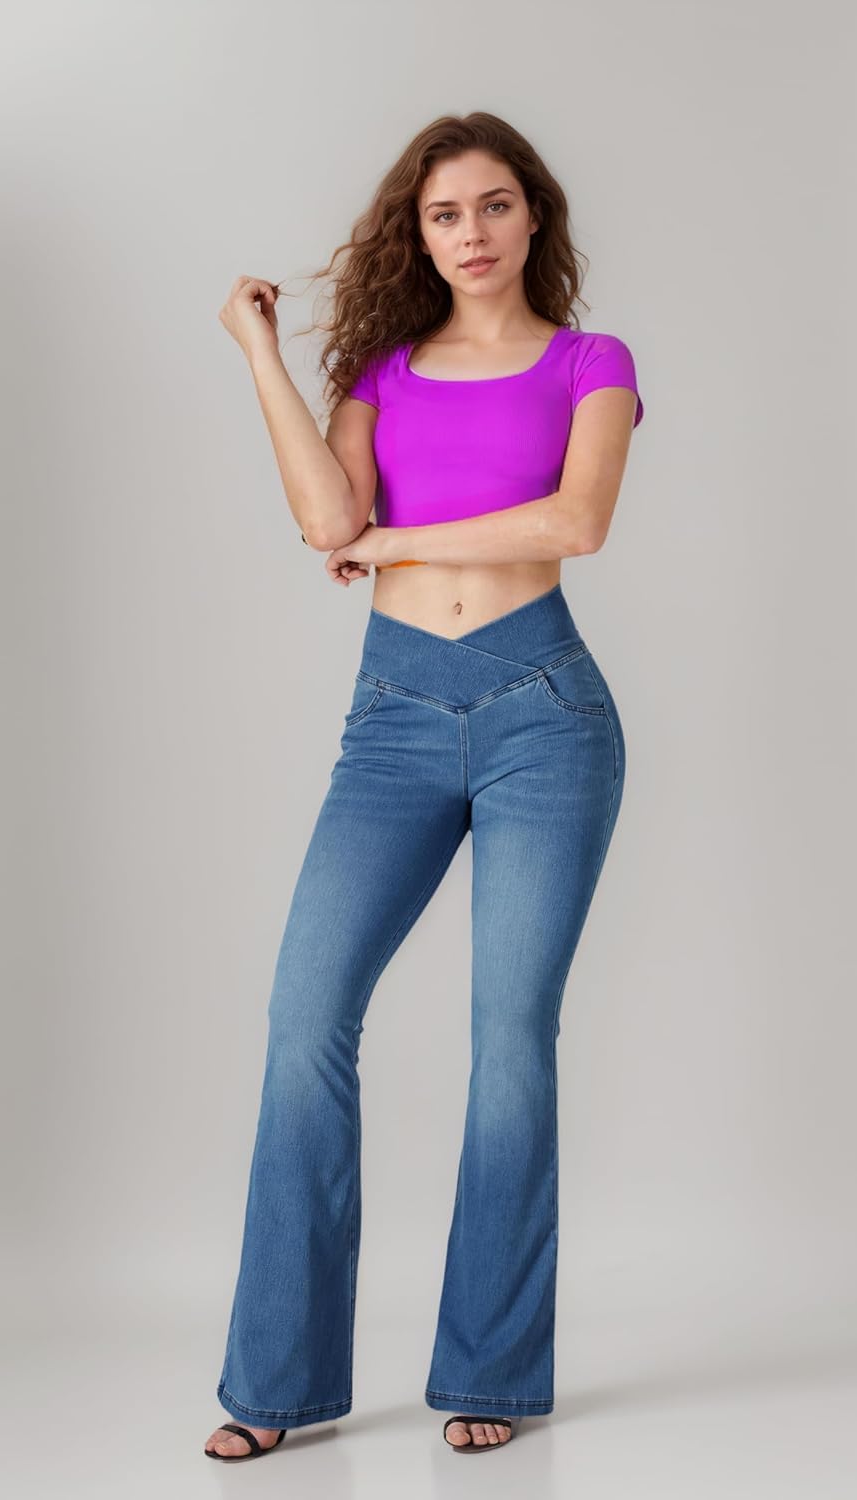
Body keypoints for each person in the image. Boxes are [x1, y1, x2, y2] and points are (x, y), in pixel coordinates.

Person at [205, 110, 644, 1462]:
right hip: (392, 719)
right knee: (304, 1018)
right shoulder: (381, 374)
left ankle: (492, 1370)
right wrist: (261, 355)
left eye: (495, 205)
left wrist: (402, 540)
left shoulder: (591, 363)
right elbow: (326, 525)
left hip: (544, 717)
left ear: (534, 214)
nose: (472, 233)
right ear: (421, 234)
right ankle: (276, 1384)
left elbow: (577, 522)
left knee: (508, 1038)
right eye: (446, 214)